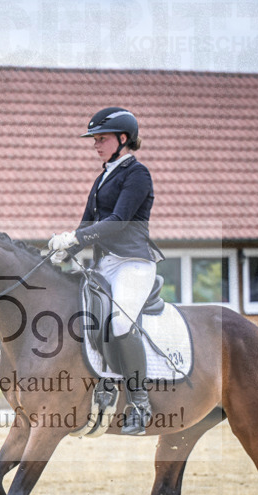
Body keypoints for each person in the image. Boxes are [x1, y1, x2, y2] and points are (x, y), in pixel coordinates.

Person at [47, 107, 162, 435]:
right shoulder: (103, 178)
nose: (95, 144)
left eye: (102, 139)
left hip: (134, 263)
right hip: (103, 265)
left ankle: (139, 401)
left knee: (121, 322)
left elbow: (119, 221)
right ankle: (106, 381)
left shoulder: (137, 174)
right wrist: (62, 251)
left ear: (122, 139)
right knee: (84, 317)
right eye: (95, 139)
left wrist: (77, 237)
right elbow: (87, 223)